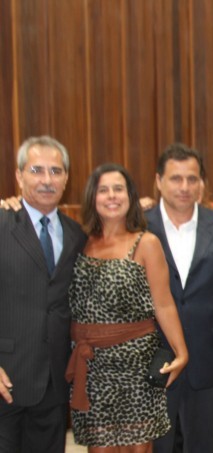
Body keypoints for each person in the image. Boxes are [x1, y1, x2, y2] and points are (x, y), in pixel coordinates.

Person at [66, 163, 188, 451]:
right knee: (100, 448)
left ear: (130, 196)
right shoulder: (81, 241)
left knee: (137, 449)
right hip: (93, 368)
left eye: (118, 189)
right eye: (103, 189)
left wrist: (182, 351)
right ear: (92, 197)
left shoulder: (146, 243)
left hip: (136, 367)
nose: (111, 196)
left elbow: (164, 303)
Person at [148, 143, 213, 453]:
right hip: (152, 357)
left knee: (205, 442)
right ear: (158, 181)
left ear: (201, 182)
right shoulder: (139, 225)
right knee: (158, 444)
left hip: (208, 356)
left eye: (192, 179)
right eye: (176, 179)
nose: (184, 187)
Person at [0, 136, 87, 453]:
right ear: (19, 176)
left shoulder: (77, 235)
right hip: (5, 380)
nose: (47, 180)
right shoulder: (1, 223)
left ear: (66, 178)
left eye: (56, 171)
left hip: (53, 385)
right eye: (37, 170)